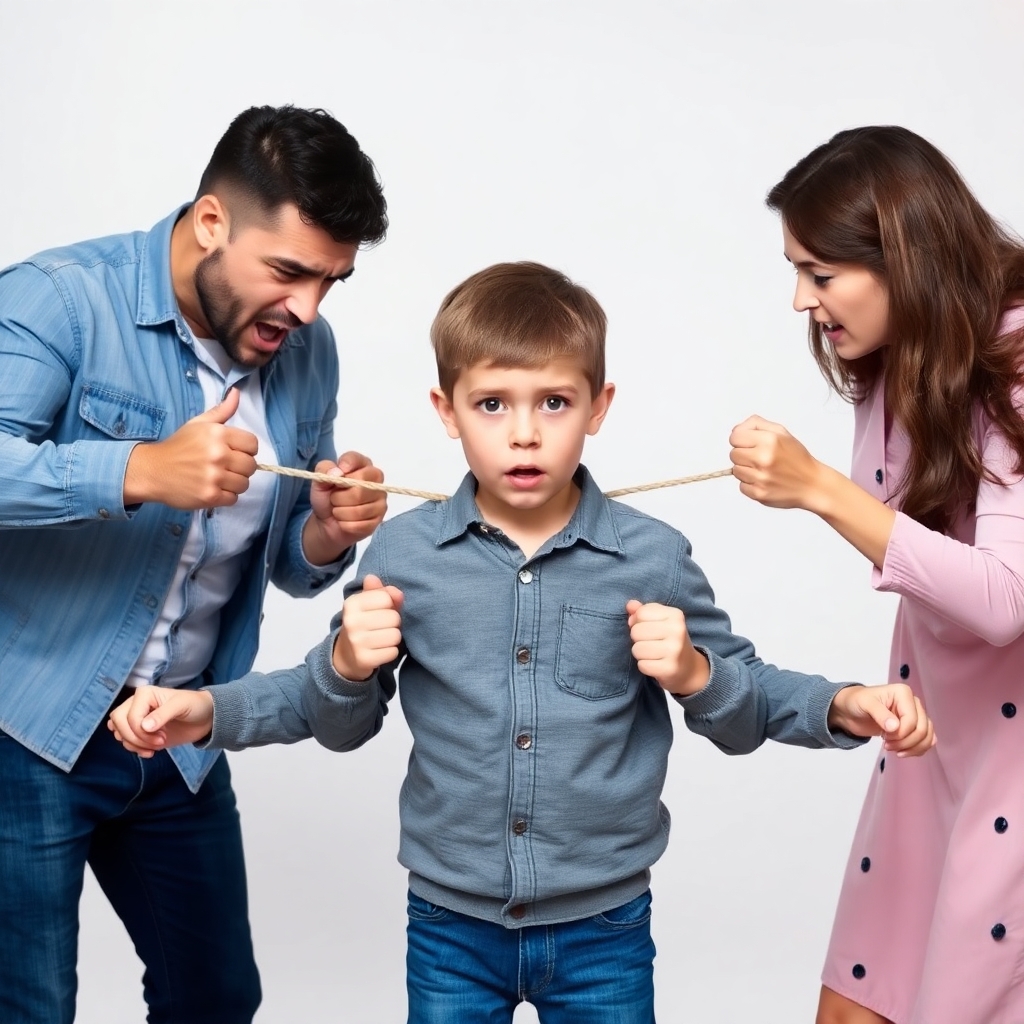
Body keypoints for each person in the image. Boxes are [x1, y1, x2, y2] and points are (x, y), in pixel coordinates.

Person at [111, 262, 934, 1024]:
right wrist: (223, 705)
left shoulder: (652, 555)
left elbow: (743, 704)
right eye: (493, 404)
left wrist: (814, 698)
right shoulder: (404, 554)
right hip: (449, 927)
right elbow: (331, 716)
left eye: (554, 403)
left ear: (598, 407)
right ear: (447, 411)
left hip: (604, 926)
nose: (525, 435)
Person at [0, 104, 389, 1024]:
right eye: (289, 272)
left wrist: (330, 531)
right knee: (30, 1006)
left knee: (214, 996)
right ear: (211, 223)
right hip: (26, 731)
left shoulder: (307, 351)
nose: (307, 309)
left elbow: (289, 564)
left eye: (331, 282)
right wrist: (141, 470)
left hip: (177, 735)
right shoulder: (58, 300)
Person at [728, 125, 1024, 1024]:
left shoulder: (1015, 359)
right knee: (857, 998)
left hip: (1012, 765)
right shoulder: (894, 361)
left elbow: (1005, 602)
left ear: (902, 256)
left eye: (819, 274)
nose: (799, 299)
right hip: (932, 737)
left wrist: (816, 487)